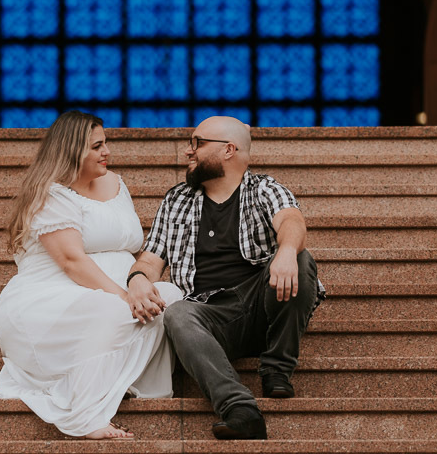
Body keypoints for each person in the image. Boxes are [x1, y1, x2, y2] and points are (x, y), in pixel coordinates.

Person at [125, 116, 324, 440]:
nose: (188, 151)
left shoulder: (263, 189)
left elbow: (291, 220)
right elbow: (150, 259)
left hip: (264, 306)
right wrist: (137, 279)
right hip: (211, 317)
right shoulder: (177, 199)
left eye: (198, 143)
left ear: (228, 150)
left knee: (301, 258)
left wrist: (287, 251)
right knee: (177, 313)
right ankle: (239, 408)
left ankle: (277, 368)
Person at [0, 110, 182, 439]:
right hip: (52, 299)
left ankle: (118, 380)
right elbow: (72, 261)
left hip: (115, 290)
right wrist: (125, 297)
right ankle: (86, 414)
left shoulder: (115, 182)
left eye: (105, 143)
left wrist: (139, 285)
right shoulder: (50, 194)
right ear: (72, 150)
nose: (106, 151)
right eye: (96, 146)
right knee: (113, 310)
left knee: (171, 297)